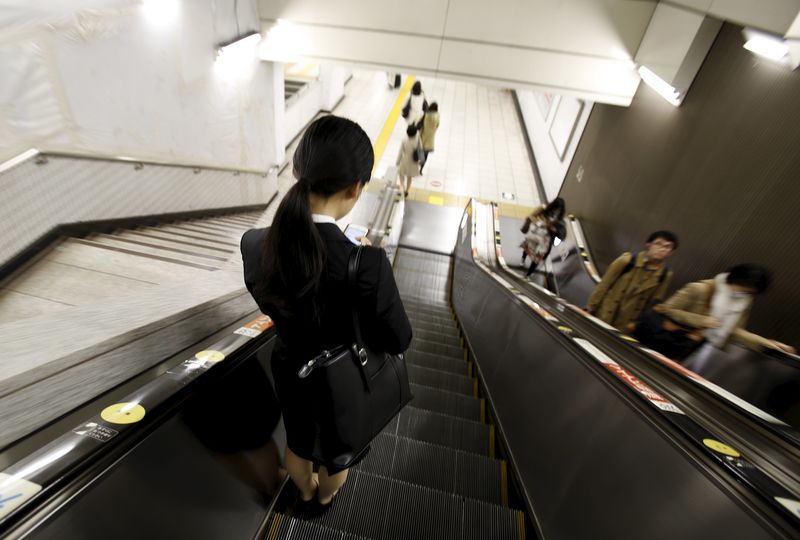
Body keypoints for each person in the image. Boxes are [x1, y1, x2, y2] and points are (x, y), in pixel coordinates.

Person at [240, 115, 412, 512]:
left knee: (298, 440)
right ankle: (326, 495)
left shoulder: (254, 245)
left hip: (289, 368)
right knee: (337, 454)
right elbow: (398, 339)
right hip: (344, 381)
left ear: (299, 171)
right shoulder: (366, 264)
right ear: (355, 188)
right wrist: (359, 258)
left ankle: (301, 490)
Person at [634, 263, 795, 359]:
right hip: (669, 341)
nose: (746, 294)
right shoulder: (700, 289)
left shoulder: (743, 302)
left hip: (697, 351)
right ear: (736, 279)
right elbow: (666, 309)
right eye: (746, 289)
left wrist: (769, 344)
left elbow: (734, 331)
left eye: (751, 292)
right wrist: (701, 320)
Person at [586, 230, 678, 332]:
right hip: (606, 311)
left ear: (671, 252)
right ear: (648, 245)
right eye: (658, 244)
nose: (662, 249)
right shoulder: (626, 261)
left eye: (667, 247)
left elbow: (654, 301)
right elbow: (604, 284)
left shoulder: (665, 274)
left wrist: (638, 323)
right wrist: (590, 307)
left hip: (628, 321)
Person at [519, 198, 566, 278]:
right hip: (536, 234)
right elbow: (531, 216)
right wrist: (540, 223)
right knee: (527, 248)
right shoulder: (543, 209)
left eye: (559, 210)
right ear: (552, 206)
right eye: (556, 209)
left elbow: (561, 233)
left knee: (537, 257)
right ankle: (523, 259)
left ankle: (528, 275)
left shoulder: (560, 220)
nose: (556, 212)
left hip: (545, 240)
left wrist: (554, 230)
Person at [396, 125, 422, 198]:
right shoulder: (417, 138)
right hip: (414, 161)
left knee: (401, 174)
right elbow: (420, 149)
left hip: (405, 161)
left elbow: (400, 152)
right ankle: (406, 191)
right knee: (409, 177)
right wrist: (420, 160)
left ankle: (402, 188)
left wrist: (397, 162)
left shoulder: (404, 140)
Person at [419, 102, 440, 174]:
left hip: (423, 136)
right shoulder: (437, 115)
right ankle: (421, 169)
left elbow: (420, 124)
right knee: (426, 154)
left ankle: (420, 161)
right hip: (431, 138)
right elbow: (437, 125)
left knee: (421, 150)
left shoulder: (425, 114)